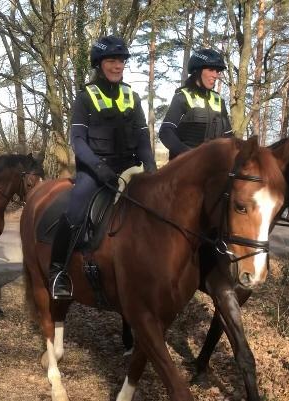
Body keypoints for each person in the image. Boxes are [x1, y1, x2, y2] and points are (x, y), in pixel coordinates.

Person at [49, 35, 157, 300]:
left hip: (130, 168)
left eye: (121, 61)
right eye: (111, 60)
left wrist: (152, 168)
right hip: (95, 170)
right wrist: (100, 170)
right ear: (99, 63)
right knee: (75, 208)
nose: (117, 65)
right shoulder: (86, 97)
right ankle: (57, 271)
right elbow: (77, 141)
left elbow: (143, 138)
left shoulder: (133, 96)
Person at [158, 48, 234, 160]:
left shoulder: (219, 101)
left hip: (213, 167)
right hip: (185, 168)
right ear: (197, 70)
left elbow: (229, 137)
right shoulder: (182, 97)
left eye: (217, 71)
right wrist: (191, 156)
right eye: (211, 69)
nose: (215, 75)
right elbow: (165, 132)